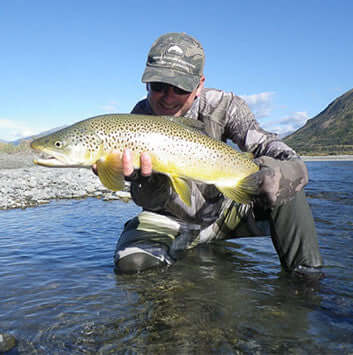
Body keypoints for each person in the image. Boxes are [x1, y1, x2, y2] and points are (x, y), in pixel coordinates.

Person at [101, 32, 324, 279]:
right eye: (158, 86)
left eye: (180, 88)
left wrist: (281, 172)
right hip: (168, 221)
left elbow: (280, 153)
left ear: (199, 85)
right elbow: (149, 201)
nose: (168, 97)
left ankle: (308, 285)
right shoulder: (134, 123)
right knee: (132, 265)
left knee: (285, 184)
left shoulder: (223, 105)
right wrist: (143, 181)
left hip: (224, 215)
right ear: (146, 83)